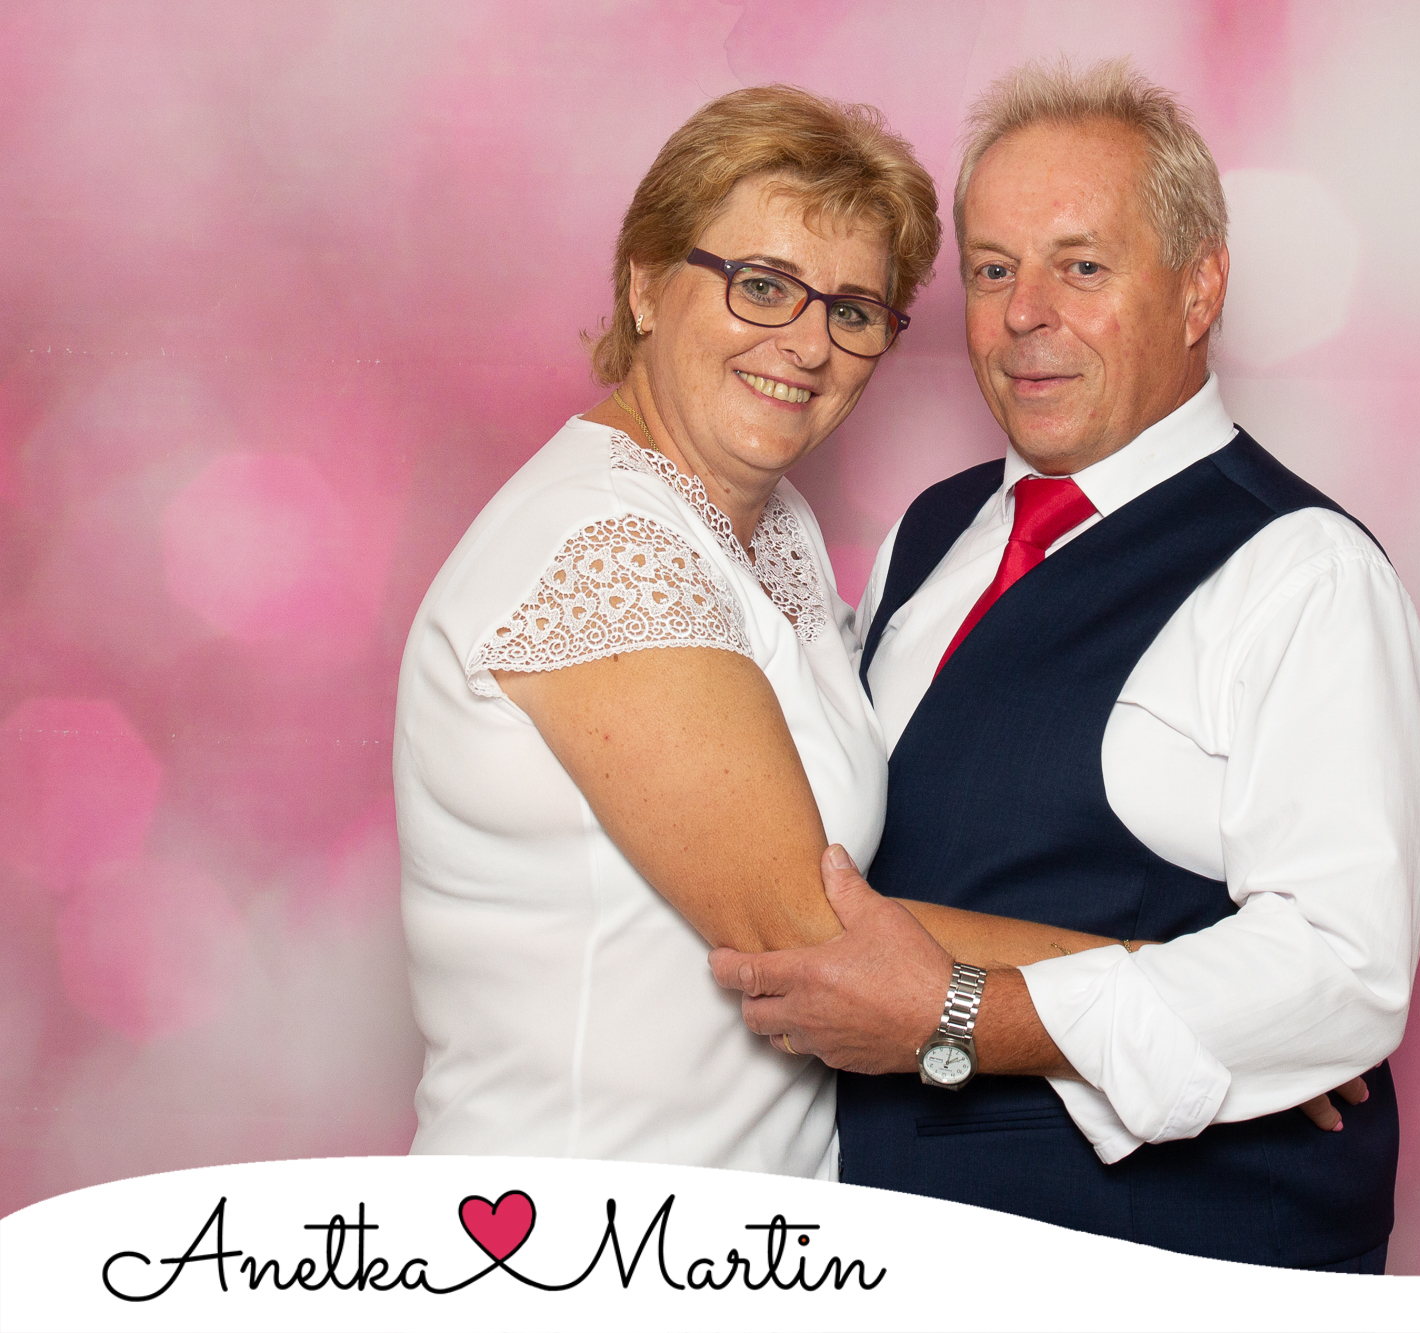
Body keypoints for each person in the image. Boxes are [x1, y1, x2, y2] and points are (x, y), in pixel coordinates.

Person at [710, 60, 1420, 1270]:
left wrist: (961, 1013)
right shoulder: (929, 534)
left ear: (1199, 287)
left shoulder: (1302, 576)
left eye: (1081, 266)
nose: (1023, 315)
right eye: (992, 269)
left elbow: (1338, 971)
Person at [393, 86, 1124, 1176]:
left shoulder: (765, 523)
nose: (807, 344)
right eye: (763, 286)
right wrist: (1183, 993)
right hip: (582, 1228)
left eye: (853, 310)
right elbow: (824, 949)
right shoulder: (606, 546)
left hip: (746, 1233)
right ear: (646, 282)